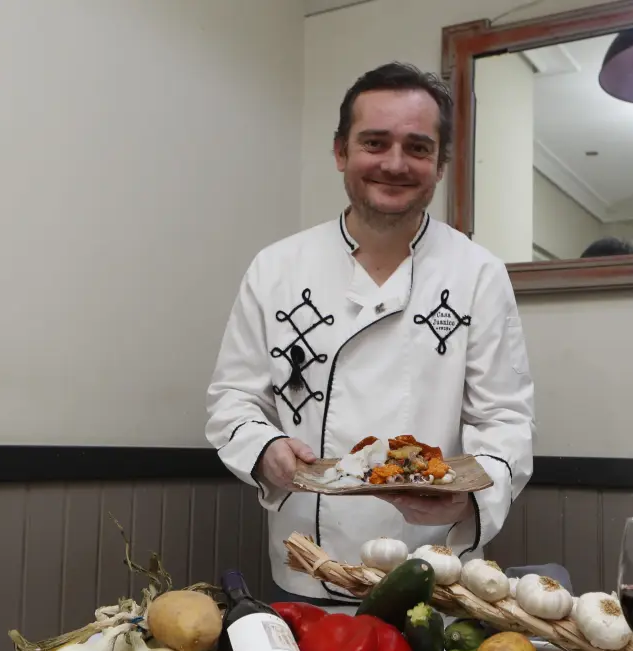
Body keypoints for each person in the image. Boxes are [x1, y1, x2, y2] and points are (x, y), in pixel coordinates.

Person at [204, 62, 535, 604]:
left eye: (418, 148)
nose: (395, 164)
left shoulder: (477, 274)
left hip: (435, 573)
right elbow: (232, 400)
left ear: (440, 164)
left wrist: (470, 499)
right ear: (341, 151)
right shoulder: (276, 268)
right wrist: (264, 449)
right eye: (375, 143)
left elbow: (505, 420)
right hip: (308, 566)